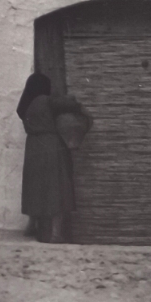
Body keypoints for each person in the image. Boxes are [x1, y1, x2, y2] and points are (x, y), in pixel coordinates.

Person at [15, 71, 92, 241]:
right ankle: (56, 233)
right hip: (51, 146)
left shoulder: (26, 104)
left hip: (33, 147)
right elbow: (69, 103)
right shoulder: (47, 101)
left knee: (35, 187)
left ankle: (32, 225)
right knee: (58, 188)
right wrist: (80, 108)